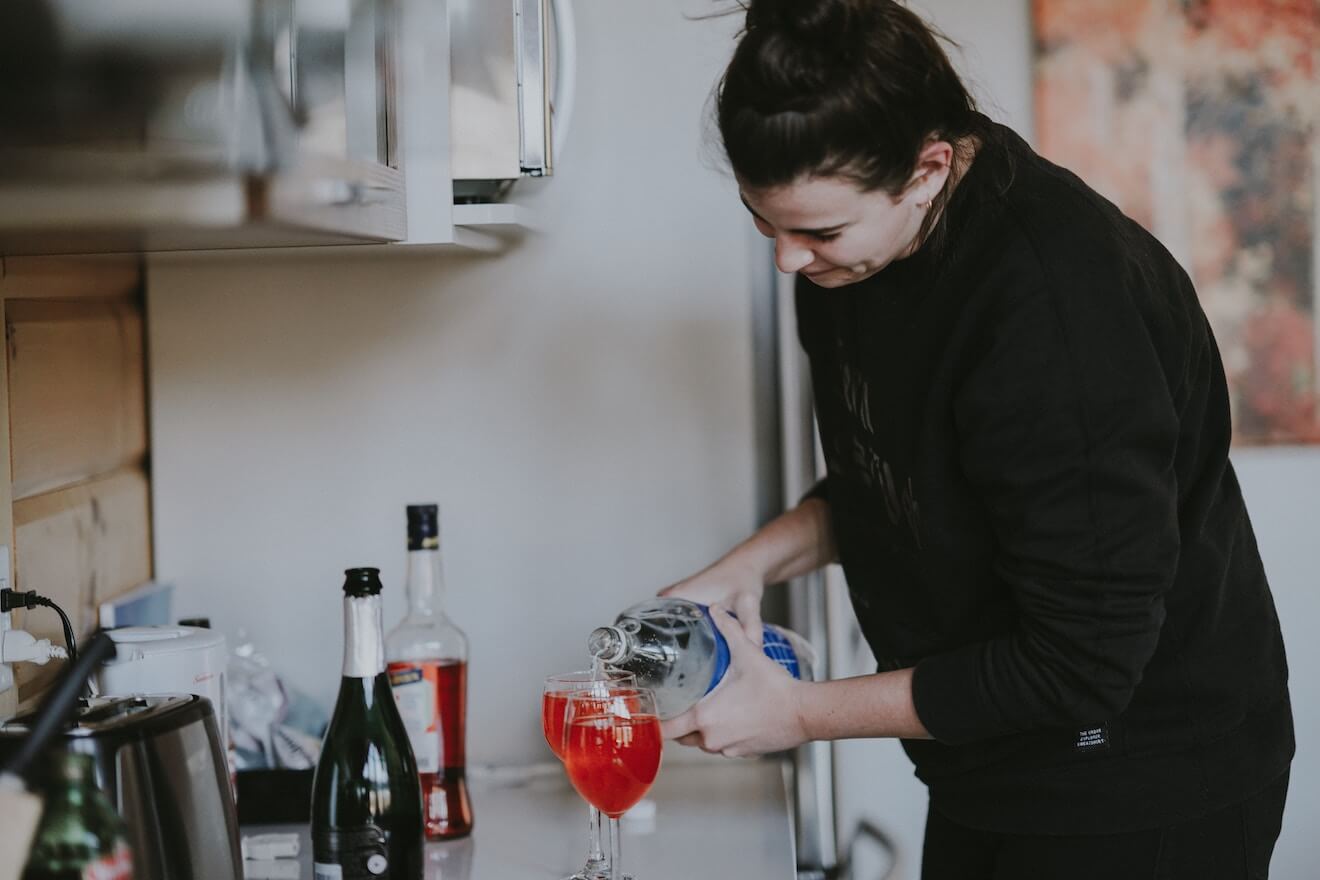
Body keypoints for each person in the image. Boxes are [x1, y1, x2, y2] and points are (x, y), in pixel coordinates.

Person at [658, 1, 1295, 877]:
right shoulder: (858, 258)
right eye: (764, 221)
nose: (789, 261)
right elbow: (901, 481)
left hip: (1140, 787)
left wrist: (799, 712)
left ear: (927, 169)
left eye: (818, 231)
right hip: (987, 766)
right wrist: (751, 565)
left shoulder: (1053, 312)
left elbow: (1079, 665)